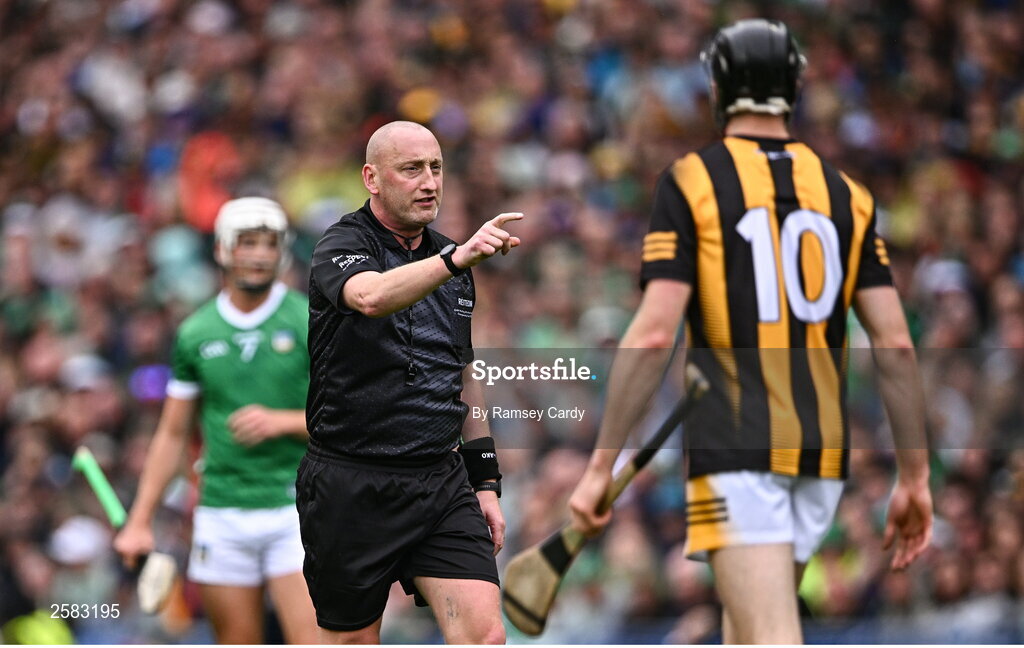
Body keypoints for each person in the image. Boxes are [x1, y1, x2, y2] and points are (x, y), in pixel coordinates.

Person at [568, 19, 933, 644]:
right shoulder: (849, 196)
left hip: (736, 447)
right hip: (820, 453)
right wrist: (917, 476)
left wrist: (603, 464)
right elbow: (896, 344)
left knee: (769, 637)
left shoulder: (693, 180)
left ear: (717, 86)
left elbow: (654, 334)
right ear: (793, 88)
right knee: (746, 631)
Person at [299, 120, 521, 644]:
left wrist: (485, 481)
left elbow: (465, 378)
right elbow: (371, 297)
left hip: (439, 482)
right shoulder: (341, 244)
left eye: (436, 168)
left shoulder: (452, 262)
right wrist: (454, 258)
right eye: (412, 169)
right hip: (350, 484)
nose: (429, 182)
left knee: (485, 636)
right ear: (372, 178)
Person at [114, 197, 317, 644]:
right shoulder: (196, 333)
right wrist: (140, 520)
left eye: (270, 243)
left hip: (298, 508)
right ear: (222, 250)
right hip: (222, 511)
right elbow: (172, 433)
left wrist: (281, 421)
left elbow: (352, 416)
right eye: (247, 243)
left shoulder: (309, 319)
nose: (260, 254)